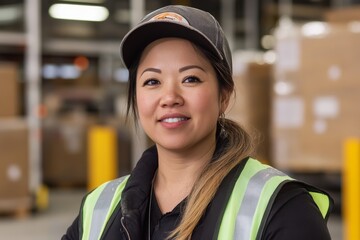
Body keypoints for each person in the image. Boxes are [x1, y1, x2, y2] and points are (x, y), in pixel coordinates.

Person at [62, 5, 333, 240]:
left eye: (190, 78)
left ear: (224, 96)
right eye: (152, 81)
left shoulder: (283, 209)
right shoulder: (98, 209)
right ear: (135, 98)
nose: (169, 97)